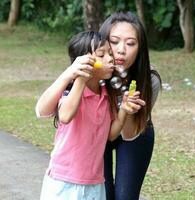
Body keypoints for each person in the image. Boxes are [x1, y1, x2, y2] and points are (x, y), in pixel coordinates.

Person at [36, 30, 145, 200]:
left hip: (95, 183)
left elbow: (110, 135)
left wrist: (123, 108)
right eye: (102, 55)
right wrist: (80, 78)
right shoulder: (71, 91)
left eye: (110, 53)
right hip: (63, 182)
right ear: (83, 61)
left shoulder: (106, 95)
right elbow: (65, 116)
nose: (110, 58)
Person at [99, 11, 161, 200]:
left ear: (140, 48)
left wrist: (127, 107)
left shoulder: (149, 80)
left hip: (134, 134)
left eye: (130, 43)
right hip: (99, 132)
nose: (121, 50)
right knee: (103, 195)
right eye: (115, 41)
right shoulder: (93, 74)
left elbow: (128, 134)